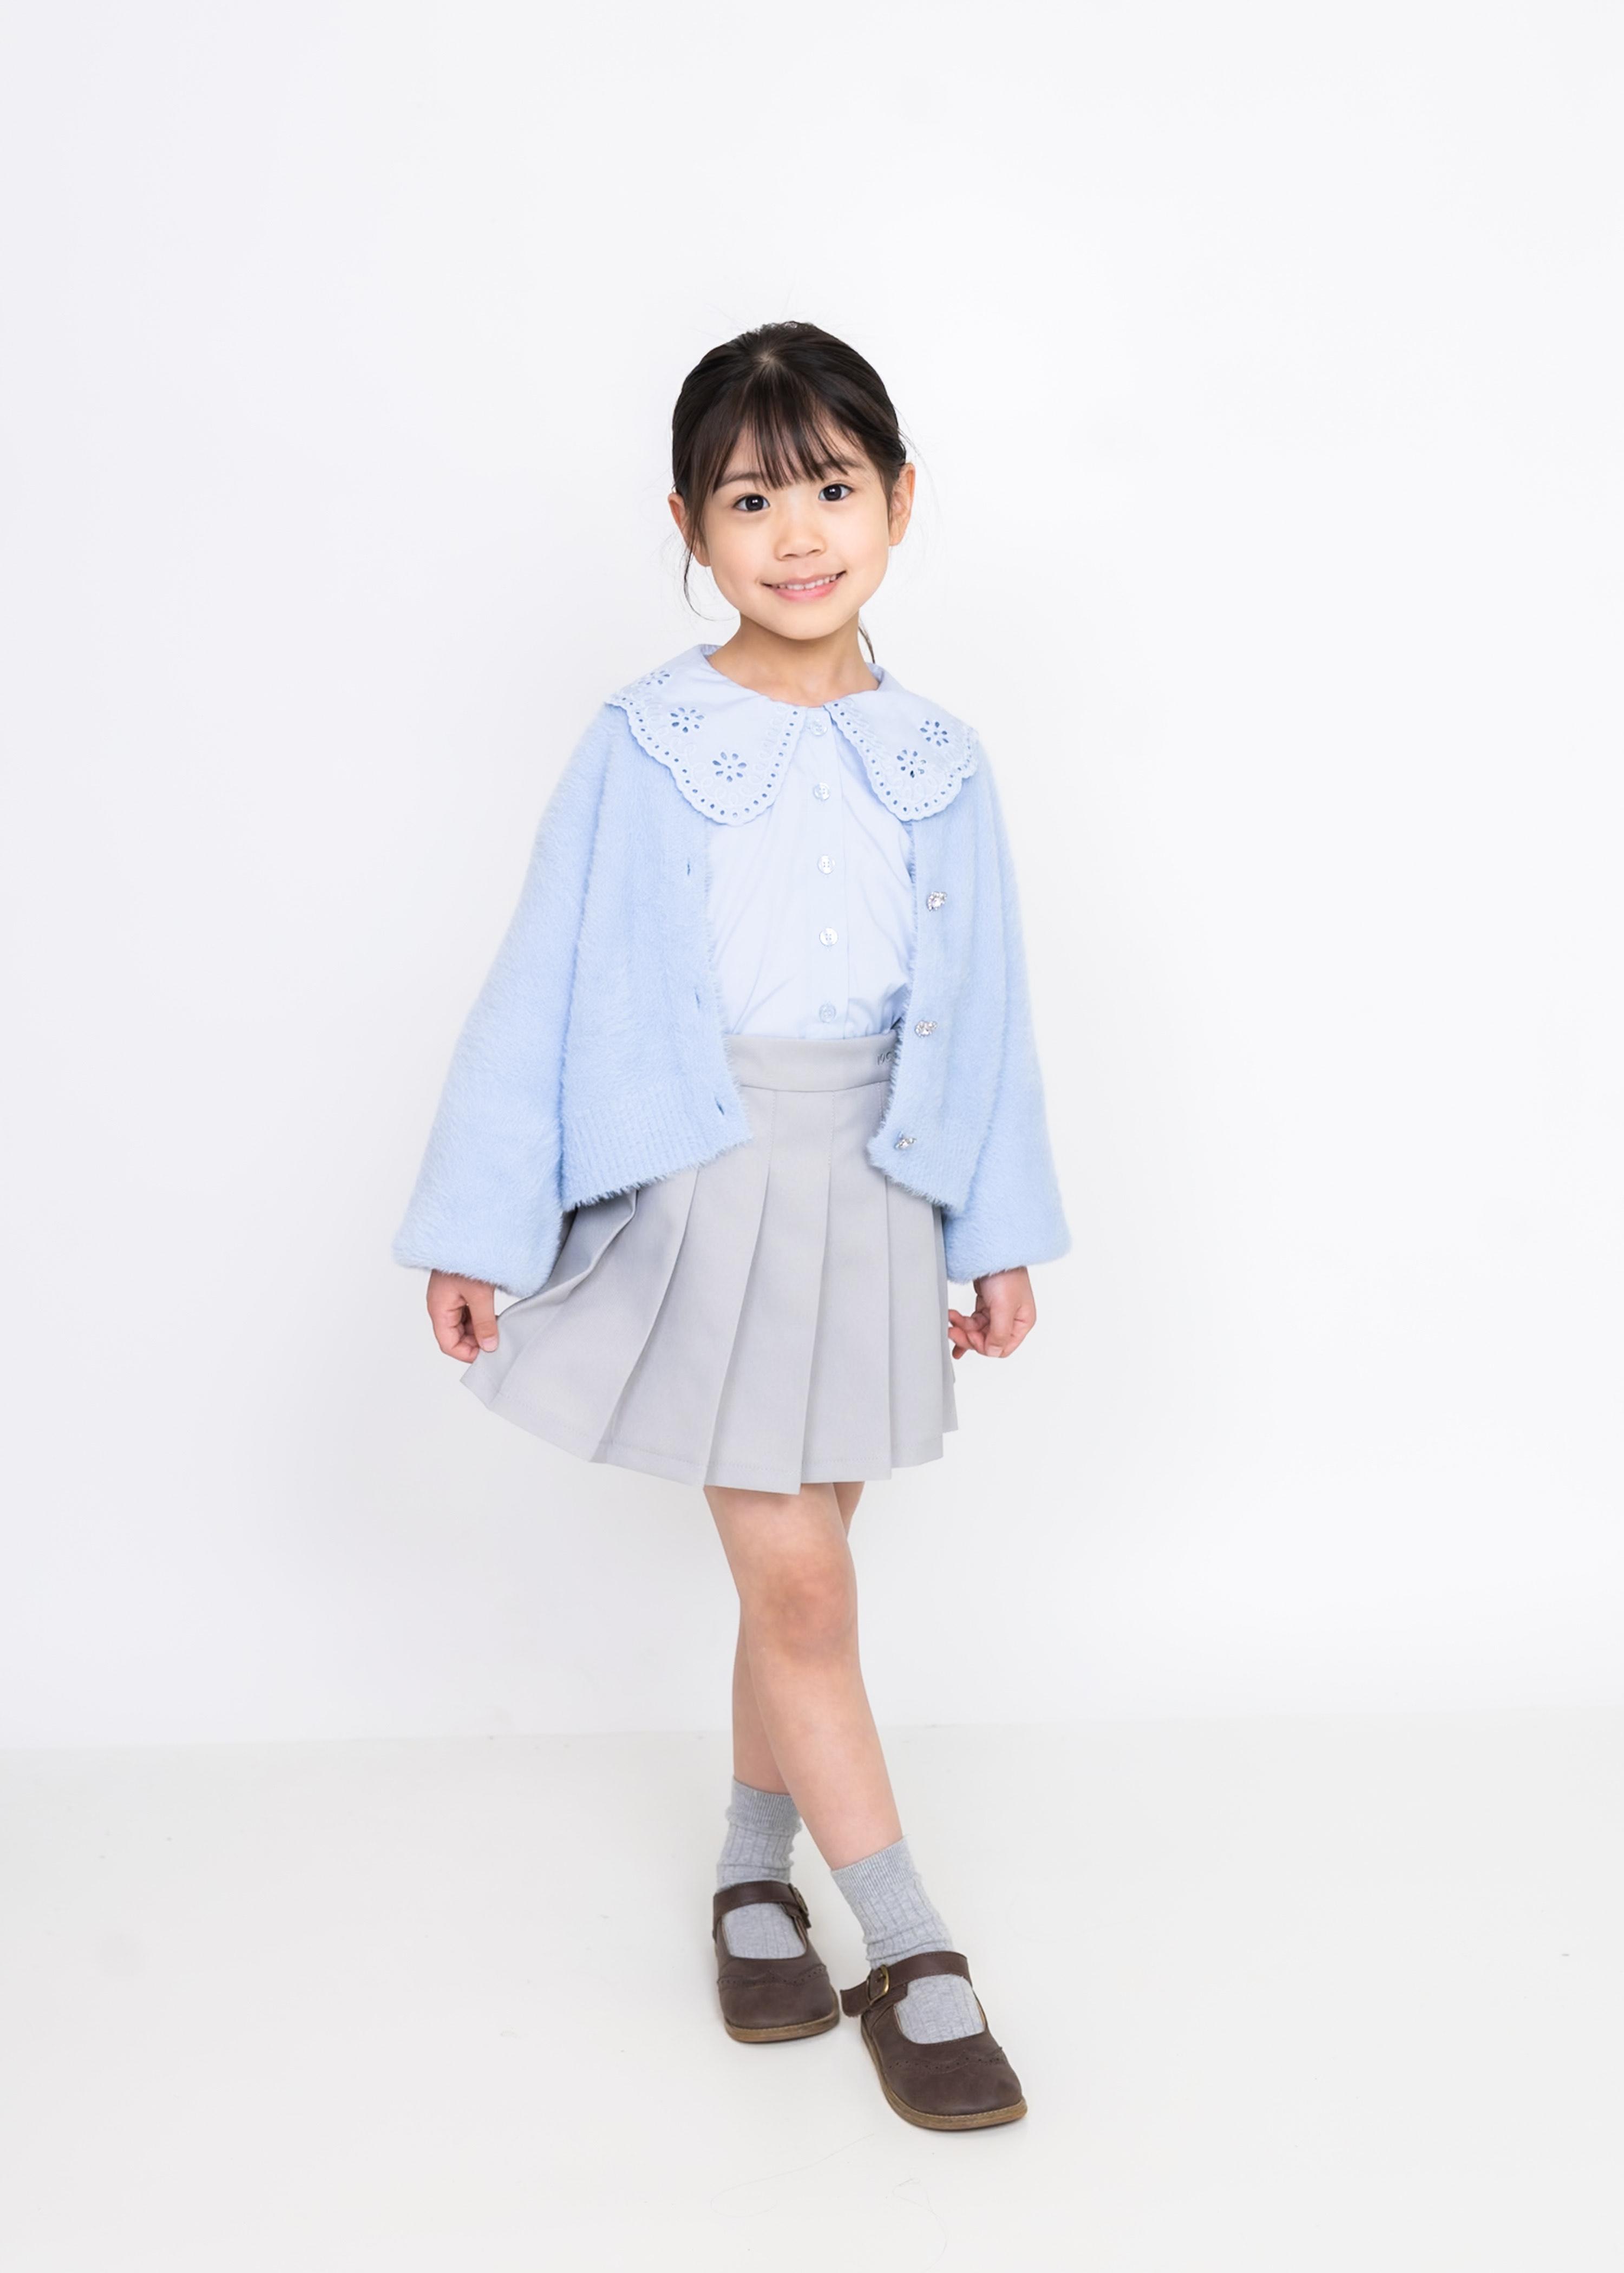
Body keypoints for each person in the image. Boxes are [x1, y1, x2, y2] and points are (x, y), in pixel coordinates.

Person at [392, 320, 1069, 2130]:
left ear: (901, 500)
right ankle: (913, 1950)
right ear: (691, 525)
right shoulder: (647, 742)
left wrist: (992, 1227)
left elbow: (991, 1011)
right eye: (749, 498)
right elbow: (542, 980)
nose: (796, 532)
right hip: (701, 1182)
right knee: (807, 1585)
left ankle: (751, 1877)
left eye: (830, 487)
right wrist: (480, 1224)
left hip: (876, 1190)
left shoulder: (942, 755)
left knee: (805, 1578)